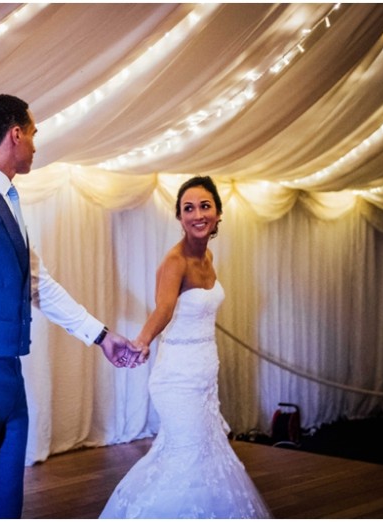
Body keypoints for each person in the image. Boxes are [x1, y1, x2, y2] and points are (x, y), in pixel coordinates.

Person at [0, 94, 143, 519]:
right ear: (16, 133)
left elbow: (39, 285)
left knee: (4, 505)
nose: (36, 145)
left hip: (6, 374)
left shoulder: (6, 203)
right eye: (34, 134)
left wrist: (101, 336)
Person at [100, 176, 272, 519]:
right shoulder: (175, 262)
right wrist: (142, 341)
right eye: (188, 208)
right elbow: (164, 308)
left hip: (205, 376)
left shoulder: (207, 257)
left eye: (204, 206)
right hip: (177, 379)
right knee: (187, 456)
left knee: (204, 455)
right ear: (179, 217)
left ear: (218, 214)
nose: (197, 214)